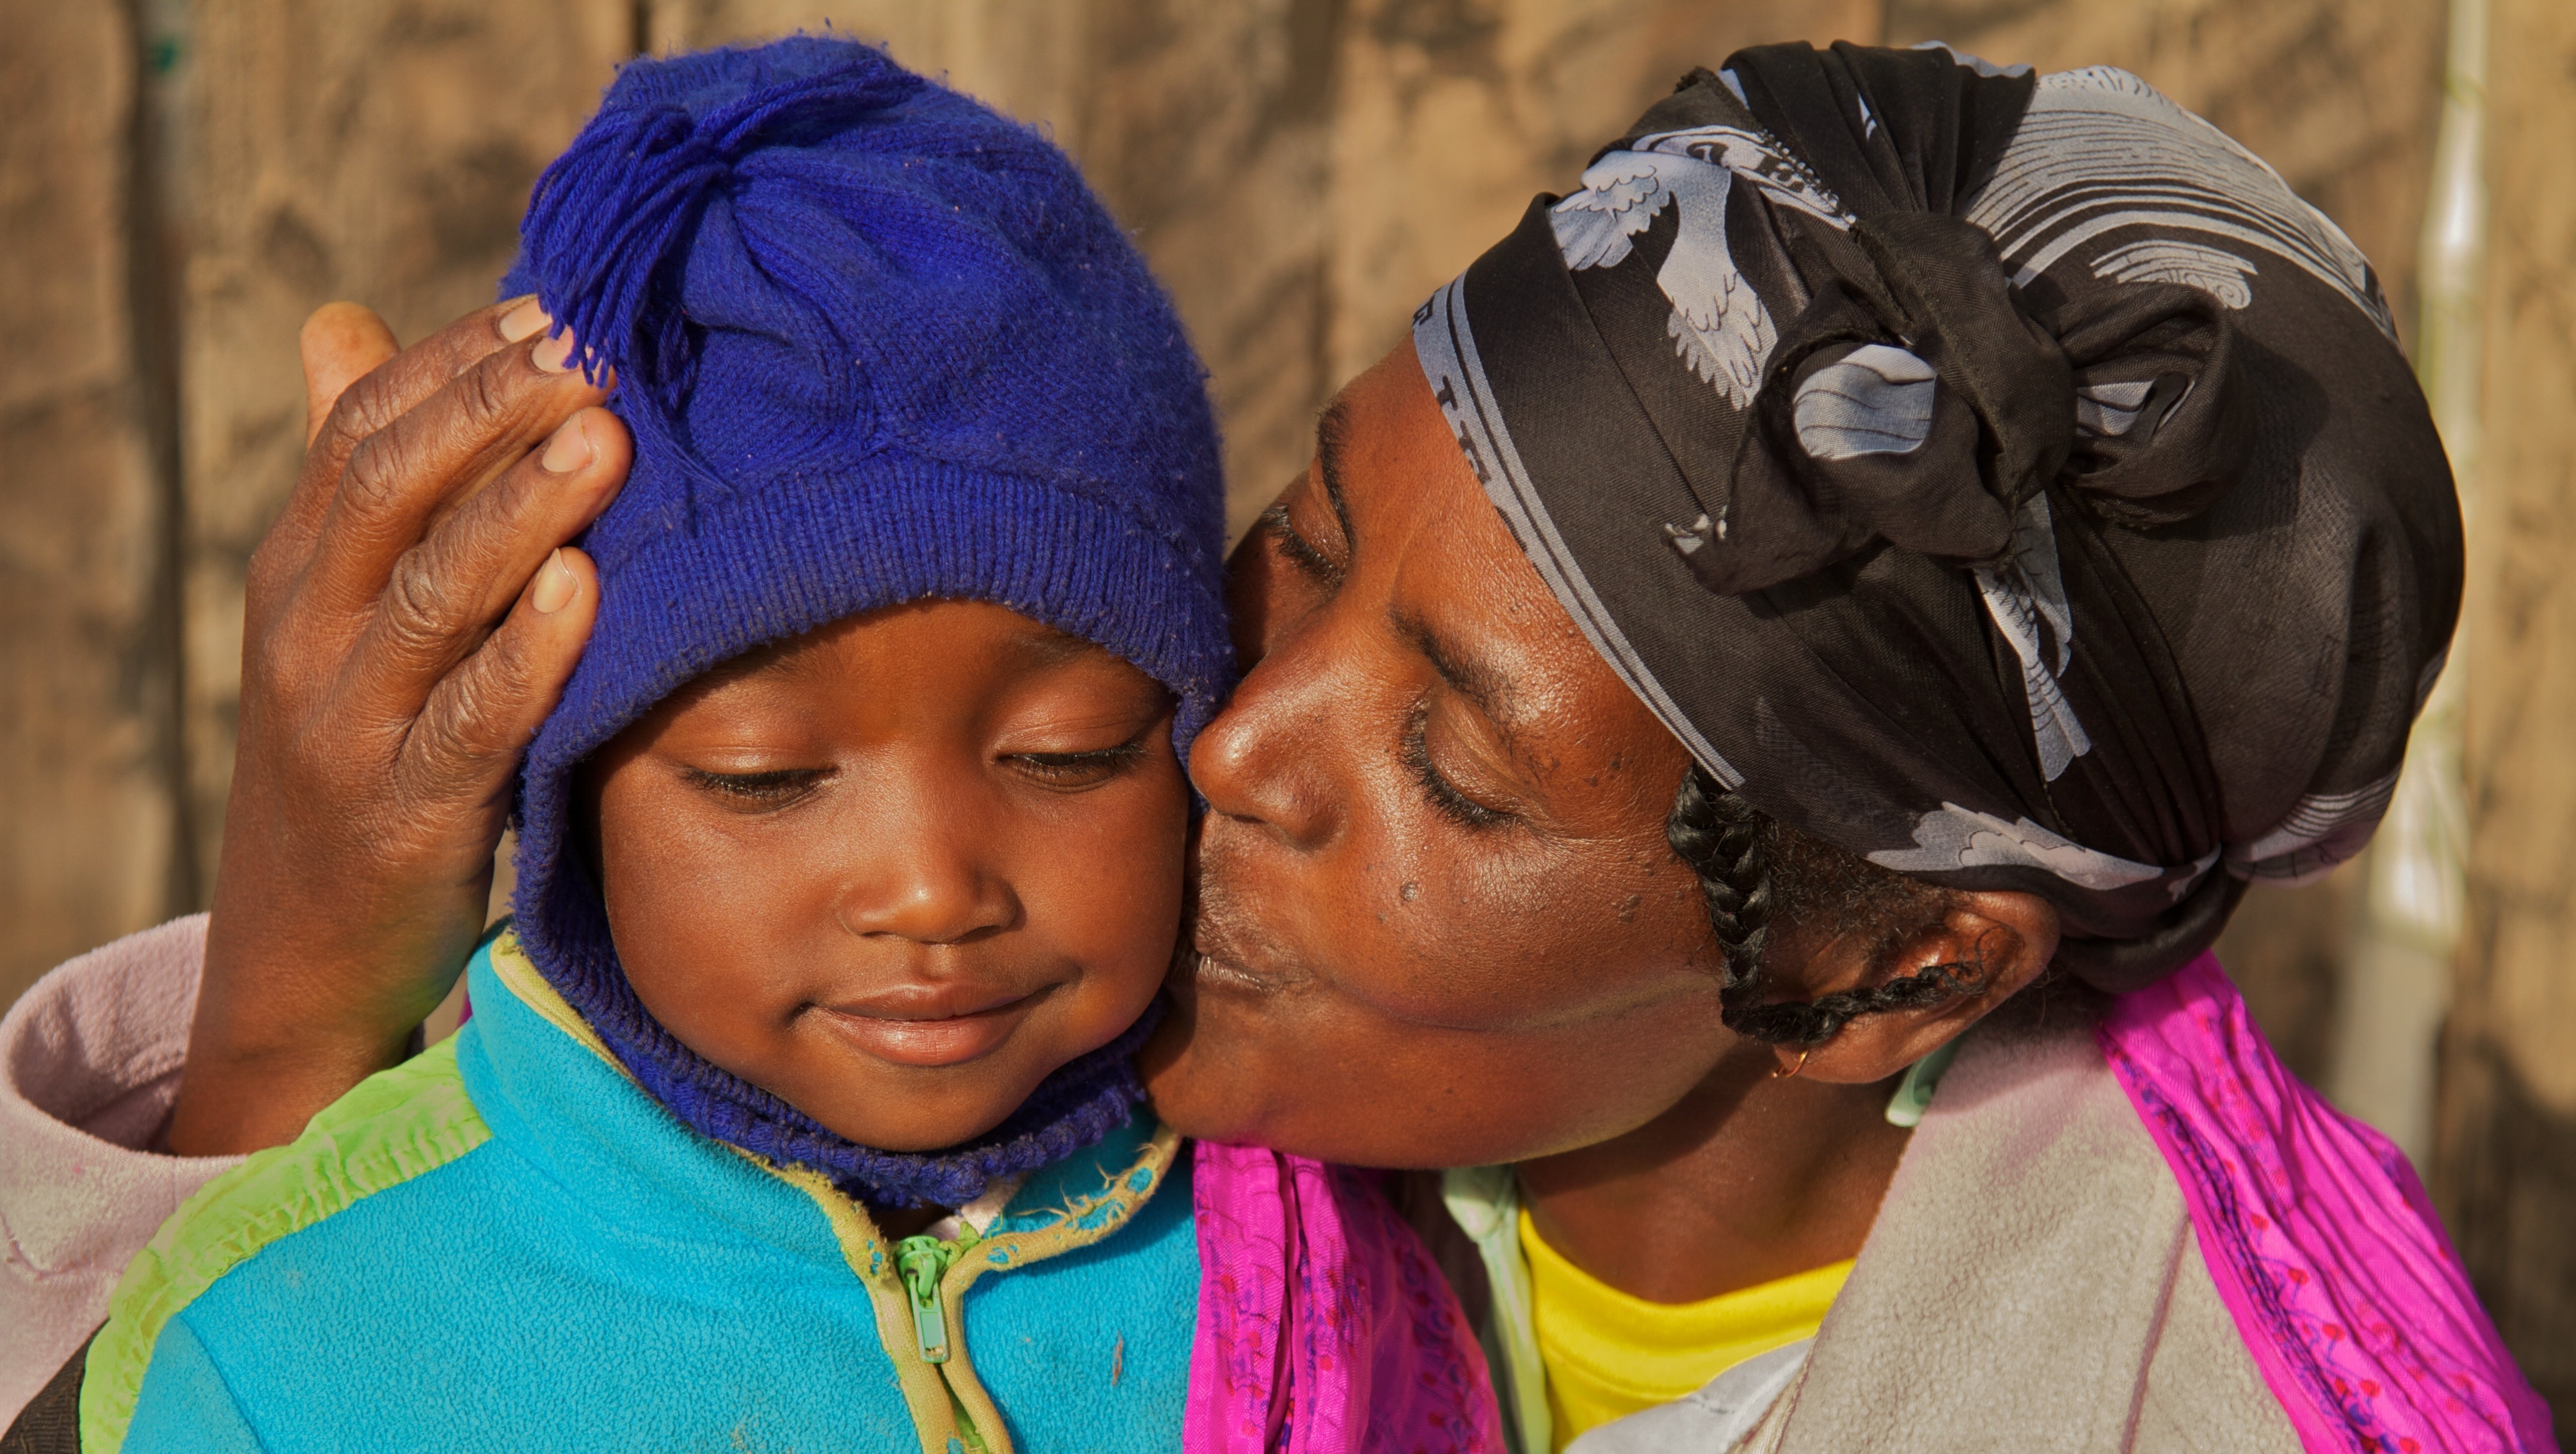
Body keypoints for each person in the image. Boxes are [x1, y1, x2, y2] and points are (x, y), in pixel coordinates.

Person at [2, 37, 2554, 1454]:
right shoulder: (982, 1123)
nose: (1228, 751)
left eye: (1453, 776)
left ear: (1889, 967)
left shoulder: (2155, 1403)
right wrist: (296, 1011)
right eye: (1304, 552)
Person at [6, 37, 1494, 1454]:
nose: (931, 890)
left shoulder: (1333, 1262)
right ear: (569, 797)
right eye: (764, 779)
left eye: (1067, 752)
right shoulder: (290, 1349)